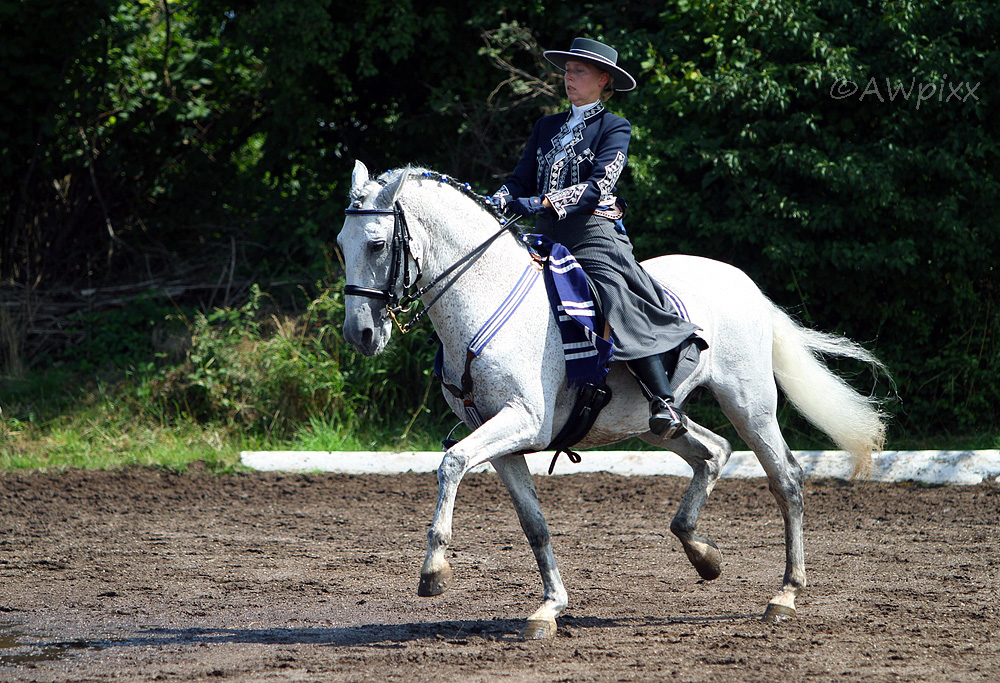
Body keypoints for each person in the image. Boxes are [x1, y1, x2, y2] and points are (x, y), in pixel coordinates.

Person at [490, 37, 701, 439]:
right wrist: (497, 199)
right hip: (544, 236)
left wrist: (538, 202)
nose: (569, 77)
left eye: (579, 71)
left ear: (604, 80)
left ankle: (663, 401)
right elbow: (520, 177)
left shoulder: (614, 127)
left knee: (608, 292)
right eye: (567, 70)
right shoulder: (545, 125)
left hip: (591, 235)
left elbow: (597, 185)